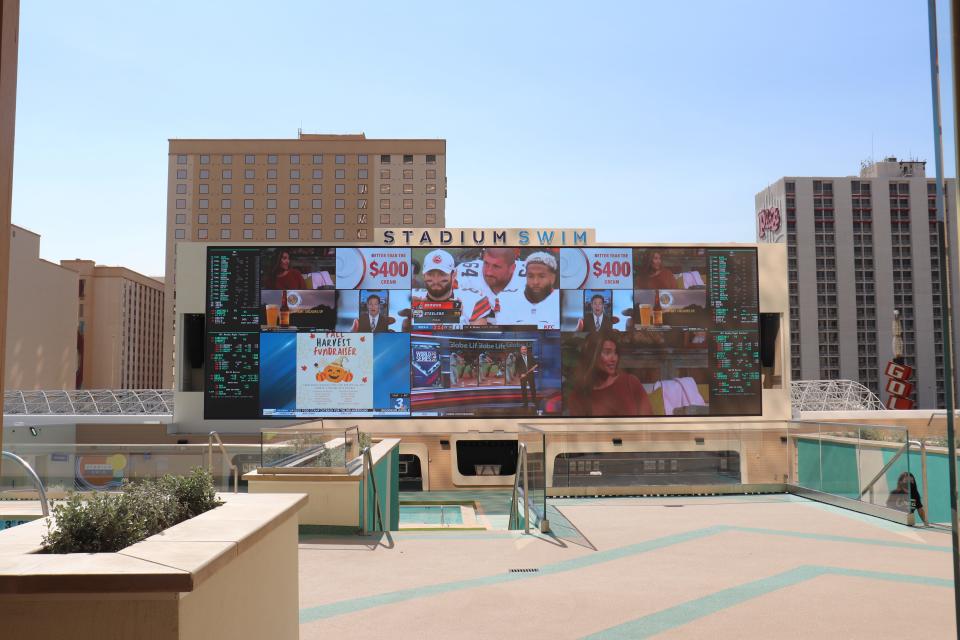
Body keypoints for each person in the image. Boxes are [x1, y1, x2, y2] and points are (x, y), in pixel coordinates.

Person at [568, 331, 653, 417]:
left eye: (615, 353)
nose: (614, 359)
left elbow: (648, 423)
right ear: (592, 355)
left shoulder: (630, 383)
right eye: (607, 352)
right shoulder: (578, 396)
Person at [412, 249, 486, 326]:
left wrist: (459, 320)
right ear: (424, 276)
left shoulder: (472, 301)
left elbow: (480, 336)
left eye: (442, 274)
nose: (436, 280)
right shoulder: (412, 298)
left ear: (454, 275)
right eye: (430, 274)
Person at [455, 248, 525, 323]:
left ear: (512, 268)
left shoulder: (532, 275)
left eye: (496, 266)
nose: (489, 272)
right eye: (486, 263)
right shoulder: (464, 274)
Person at [495, 252, 560, 329]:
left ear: (552, 278)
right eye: (531, 276)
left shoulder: (561, 300)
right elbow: (506, 334)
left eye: (541, 276)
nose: (535, 282)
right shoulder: (506, 299)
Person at [515, 345, 538, 413]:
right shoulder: (518, 358)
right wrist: (520, 374)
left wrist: (534, 366)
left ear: (526, 350)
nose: (524, 350)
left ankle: (534, 402)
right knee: (523, 390)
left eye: (525, 349)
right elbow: (516, 367)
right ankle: (525, 404)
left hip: (530, 375)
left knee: (533, 388)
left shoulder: (530, 356)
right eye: (522, 349)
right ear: (520, 350)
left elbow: (535, 364)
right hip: (523, 376)